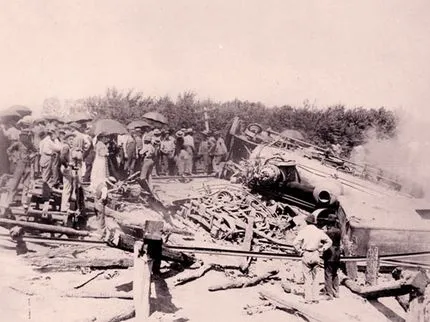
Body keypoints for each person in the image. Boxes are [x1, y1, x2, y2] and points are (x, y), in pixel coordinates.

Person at [293, 214, 332, 304]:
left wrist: (299, 251)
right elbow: (329, 241)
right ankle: (315, 298)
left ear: (306, 222)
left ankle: (308, 299)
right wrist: (322, 249)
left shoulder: (303, 231)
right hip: (316, 254)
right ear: (314, 222)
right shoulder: (319, 231)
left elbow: (295, 243)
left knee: (307, 278)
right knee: (315, 278)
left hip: (306, 253)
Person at [322, 214, 342, 300]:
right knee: (335, 273)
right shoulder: (339, 231)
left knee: (328, 273)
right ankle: (336, 291)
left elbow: (324, 241)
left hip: (329, 253)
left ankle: (329, 293)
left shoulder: (327, 232)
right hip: (337, 254)